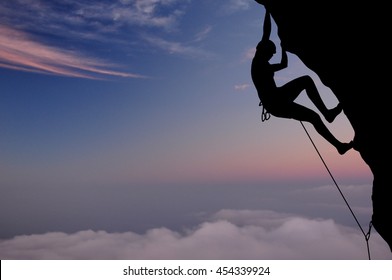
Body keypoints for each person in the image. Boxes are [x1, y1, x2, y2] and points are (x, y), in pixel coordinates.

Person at [251, 9, 353, 155]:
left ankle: (335, 136)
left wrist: (282, 48)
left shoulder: (262, 62)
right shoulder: (258, 62)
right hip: (276, 102)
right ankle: (331, 123)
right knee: (309, 96)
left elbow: (283, 64)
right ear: (264, 50)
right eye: (271, 53)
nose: (271, 56)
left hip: (277, 99)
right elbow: (266, 33)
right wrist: (268, 10)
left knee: (311, 106)